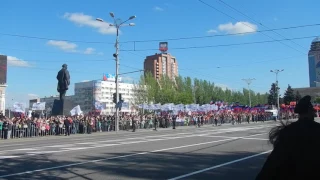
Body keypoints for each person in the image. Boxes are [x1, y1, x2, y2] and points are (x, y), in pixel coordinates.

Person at [256, 95, 320, 180]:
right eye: (312, 110)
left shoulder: (288, 131)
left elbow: (273, 163)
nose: (313, 112)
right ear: (309, 111)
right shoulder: (317, 129)